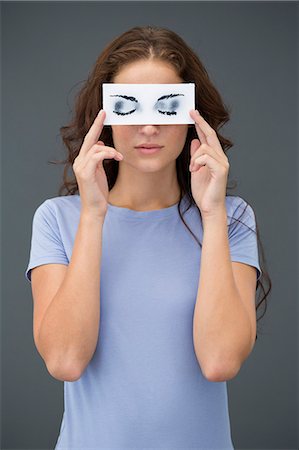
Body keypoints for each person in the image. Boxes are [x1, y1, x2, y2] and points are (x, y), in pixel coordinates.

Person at [25, 25, 271, 450]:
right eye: (128, 107)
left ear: (194, 116)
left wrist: (212, 215)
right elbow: (65, 360)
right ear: (104, 118)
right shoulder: (58, 220)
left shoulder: (233, 219)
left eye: (168, 106)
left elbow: (220, 361)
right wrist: (94, 214)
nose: (149, 126)